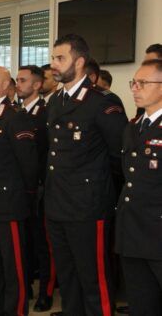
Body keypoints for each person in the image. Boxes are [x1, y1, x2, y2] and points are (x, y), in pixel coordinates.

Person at [46, 34, 127, 316]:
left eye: (60, 58)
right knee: (68, 280)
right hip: (58, 205)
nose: (53, 64)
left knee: (95, 282)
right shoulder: (56, 100)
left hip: (88, 207)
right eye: (53, 58)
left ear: (79, 62)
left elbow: (120, 156)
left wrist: (103, 194)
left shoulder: (102, 102)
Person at [0, 66, 38, 316]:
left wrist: (24, 197)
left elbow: (28, 163)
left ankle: (15, 309)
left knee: (13, 263)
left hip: (8, 201)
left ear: (5, 86)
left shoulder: (14, 116)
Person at [116, 58, 162, 315]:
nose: (135, 88)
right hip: (132, 229)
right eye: (134, 82)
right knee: (141, 302)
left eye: (143, 83)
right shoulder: (133, 126)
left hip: (158, 229)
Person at [16, 65, 55, 312]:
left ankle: (46, 292)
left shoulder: (47, 112)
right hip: (19, 188)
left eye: (23, 80)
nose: (18, 83)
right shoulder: (15, 112)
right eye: (17, 79)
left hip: (40, 187)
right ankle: (24, 285)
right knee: (23, 241)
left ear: (37, 85)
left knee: (43, 244)